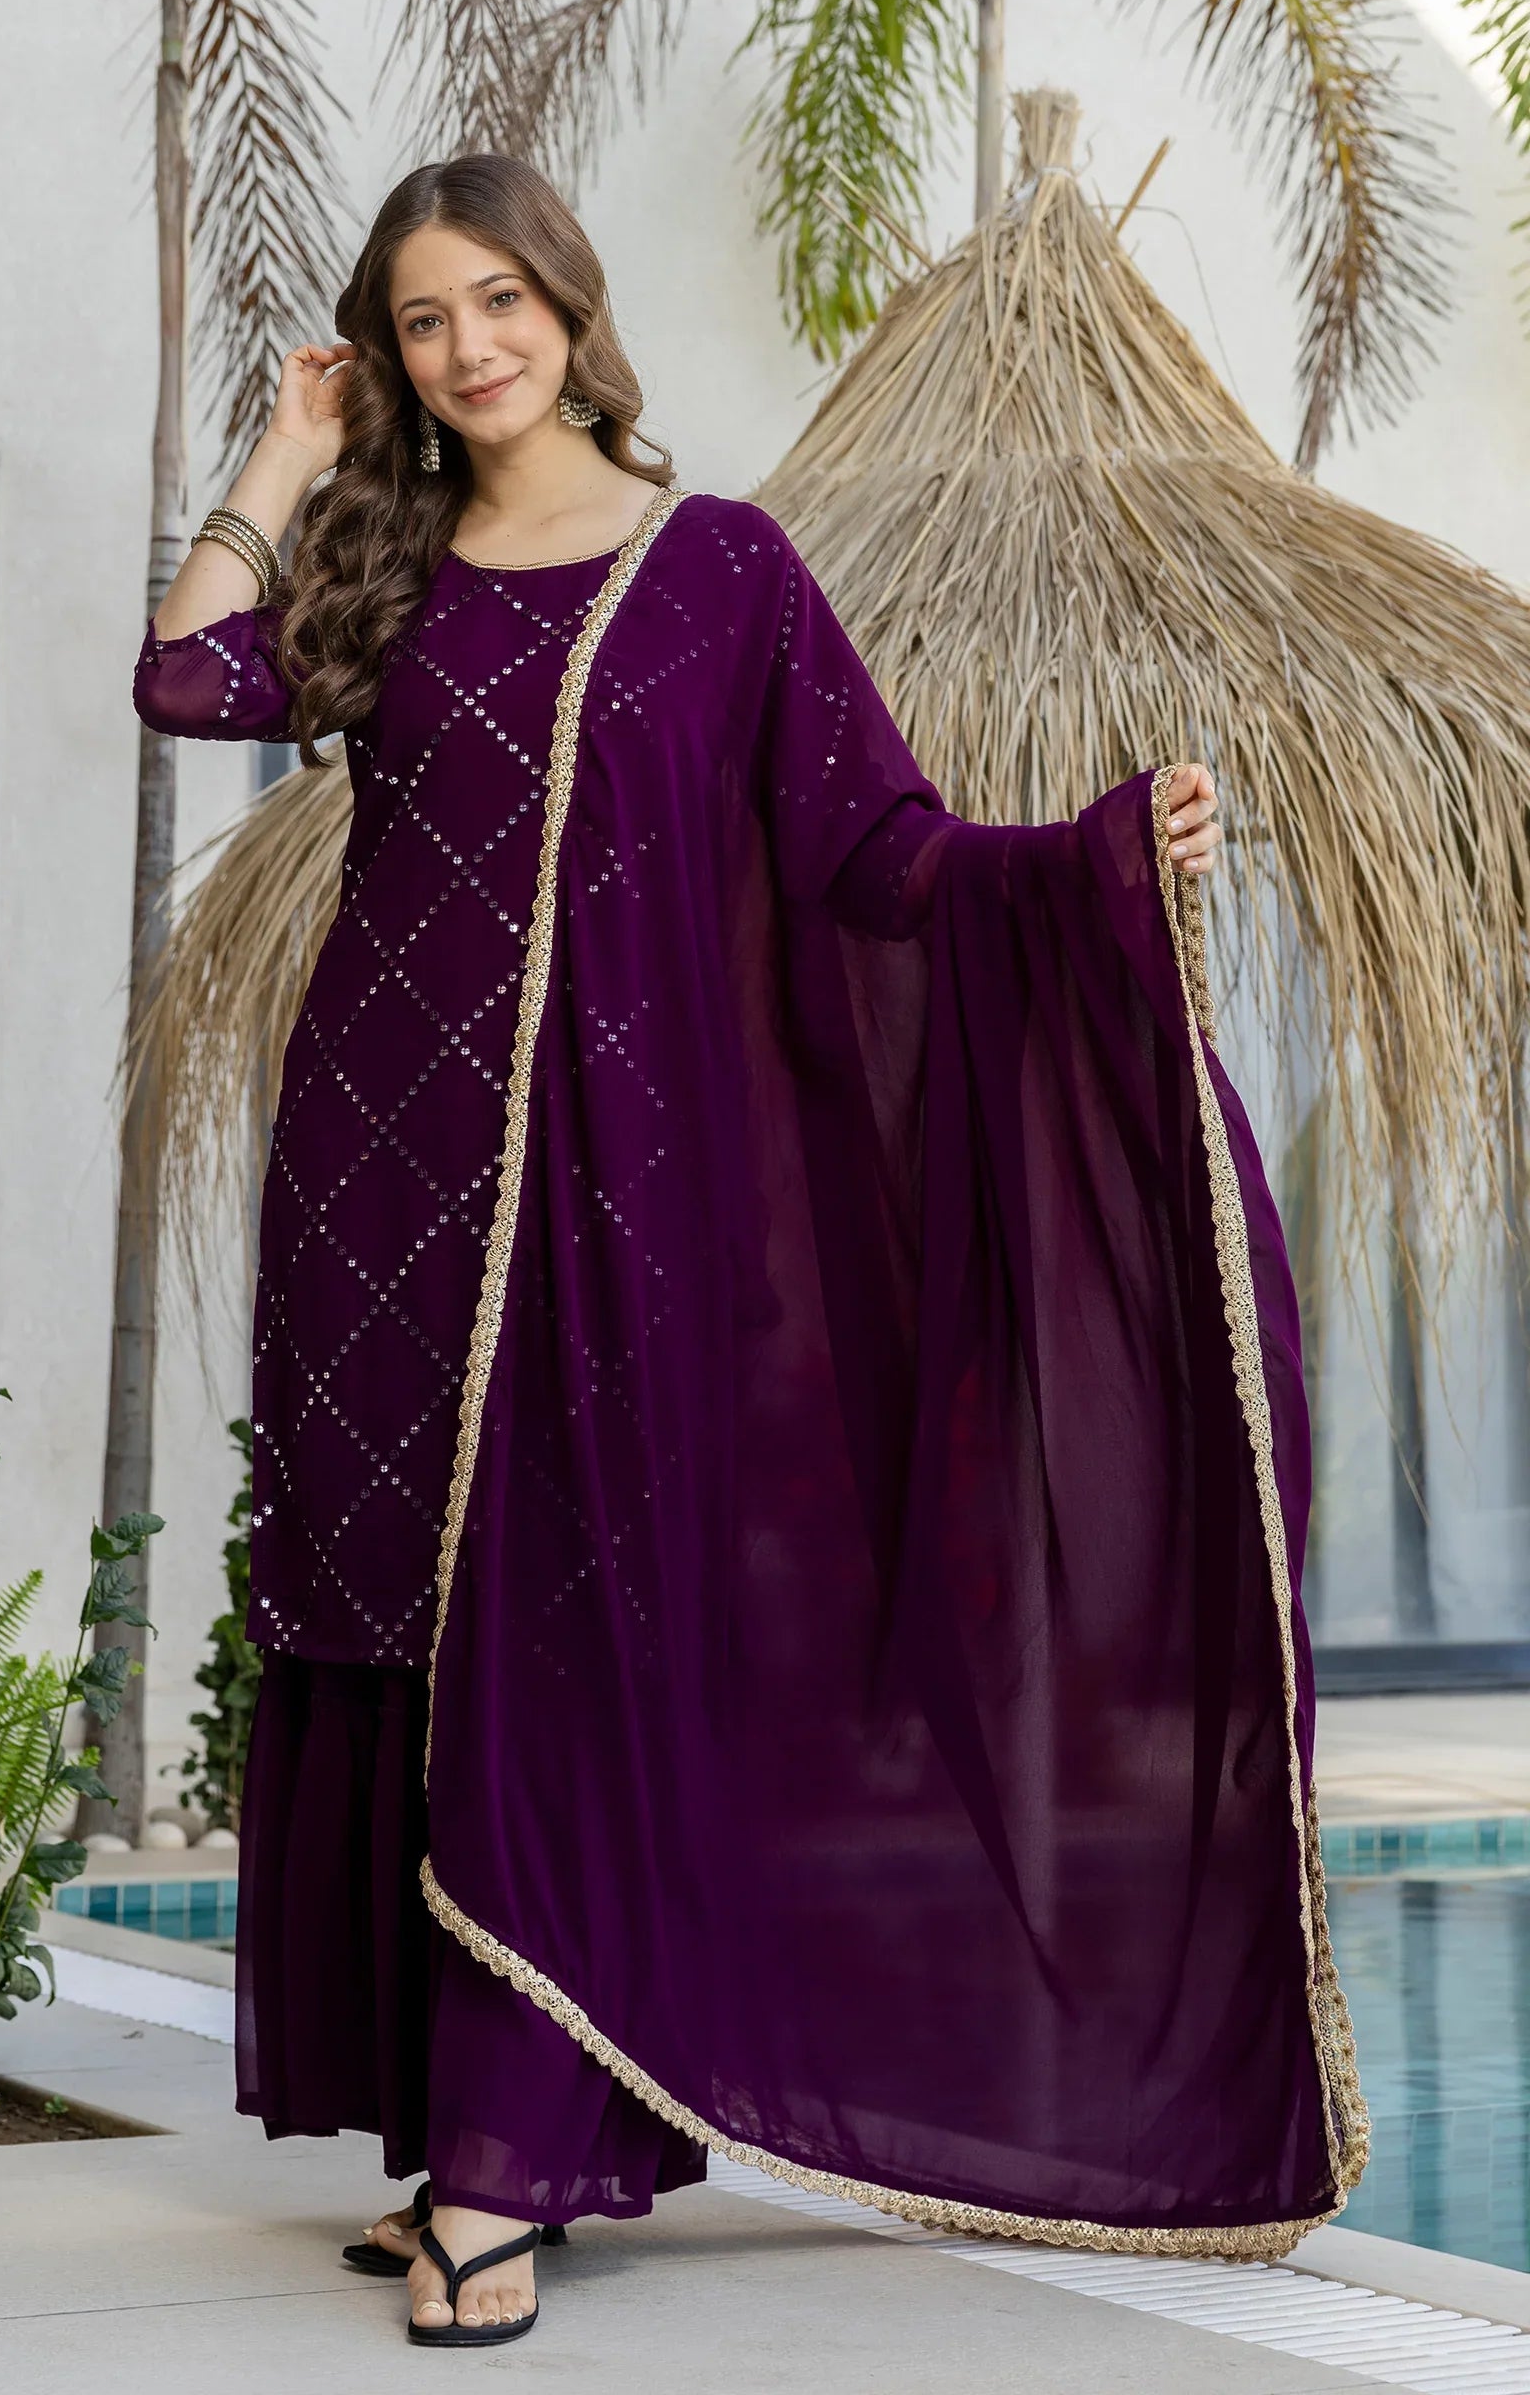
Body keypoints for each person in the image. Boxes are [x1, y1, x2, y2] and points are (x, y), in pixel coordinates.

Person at [134, 152, 1362, 2352]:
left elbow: (875, 858)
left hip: (612, 1210)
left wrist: (1084, 859)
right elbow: (191, 688)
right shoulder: (388, 557)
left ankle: (513, 2169)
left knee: (565, 1631)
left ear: (572, 310)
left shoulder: (720, 575)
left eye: (498, 299)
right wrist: (285, 447)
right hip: (374, 1179)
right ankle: (470, 2133)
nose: (466, 346)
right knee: (406, 1634)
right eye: (422, 321)